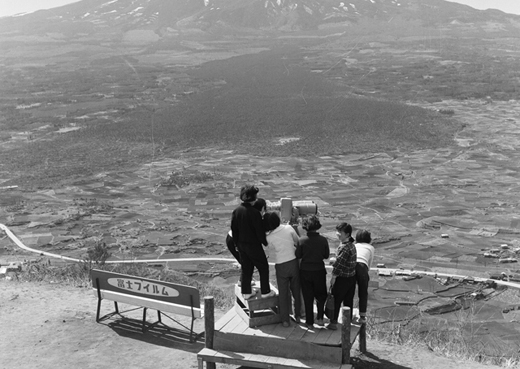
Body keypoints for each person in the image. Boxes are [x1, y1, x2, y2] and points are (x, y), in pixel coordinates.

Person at [230, 185, 275, 299]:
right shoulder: (254, 213)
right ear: (253, 197)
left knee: (246, 267)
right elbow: (259, 231)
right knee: (263, 266)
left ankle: (246, 292)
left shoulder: (236, 211)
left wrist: (236, 244)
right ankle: (265, 291)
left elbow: (234, 229)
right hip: (253, 245)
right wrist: (265, 242)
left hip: (241, 244)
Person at [265, 212, 302, 327]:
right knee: (296, 290)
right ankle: (298, 316)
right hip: (293, 262)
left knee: (283, 293)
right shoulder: (289, 228)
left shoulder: (269, 237)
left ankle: (285, 319)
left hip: (281, 265)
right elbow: (298, 241)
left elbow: (268, 248)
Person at [295, 214, 330, 329]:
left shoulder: (301, 240)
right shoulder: (323, 240)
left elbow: (298, 255)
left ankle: (309, 322)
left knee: (307, 296)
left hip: (305, 271)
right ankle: (320, 318)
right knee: (321, 295)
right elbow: (326, 255)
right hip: (319, 270)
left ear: (305, 227)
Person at [327, 222, 357, 331]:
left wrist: (333, 277)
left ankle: (333, 323)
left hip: (342, 279)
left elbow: (339, 265)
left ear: (347, 234)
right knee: (348, 301)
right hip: (351, 278)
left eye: (340, 232)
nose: (337, 234)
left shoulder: (344, 248)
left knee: (336, 300)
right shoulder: (352, 245)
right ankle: (347, 322)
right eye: (337, 231)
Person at [354, 229, 375, 324]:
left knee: (349, 291)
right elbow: (370, 262)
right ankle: (362, 316)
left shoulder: (354, 245)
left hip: (352, 265)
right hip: (363, 267)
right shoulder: (370, 248)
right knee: (363, 292)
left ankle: (348, 314)